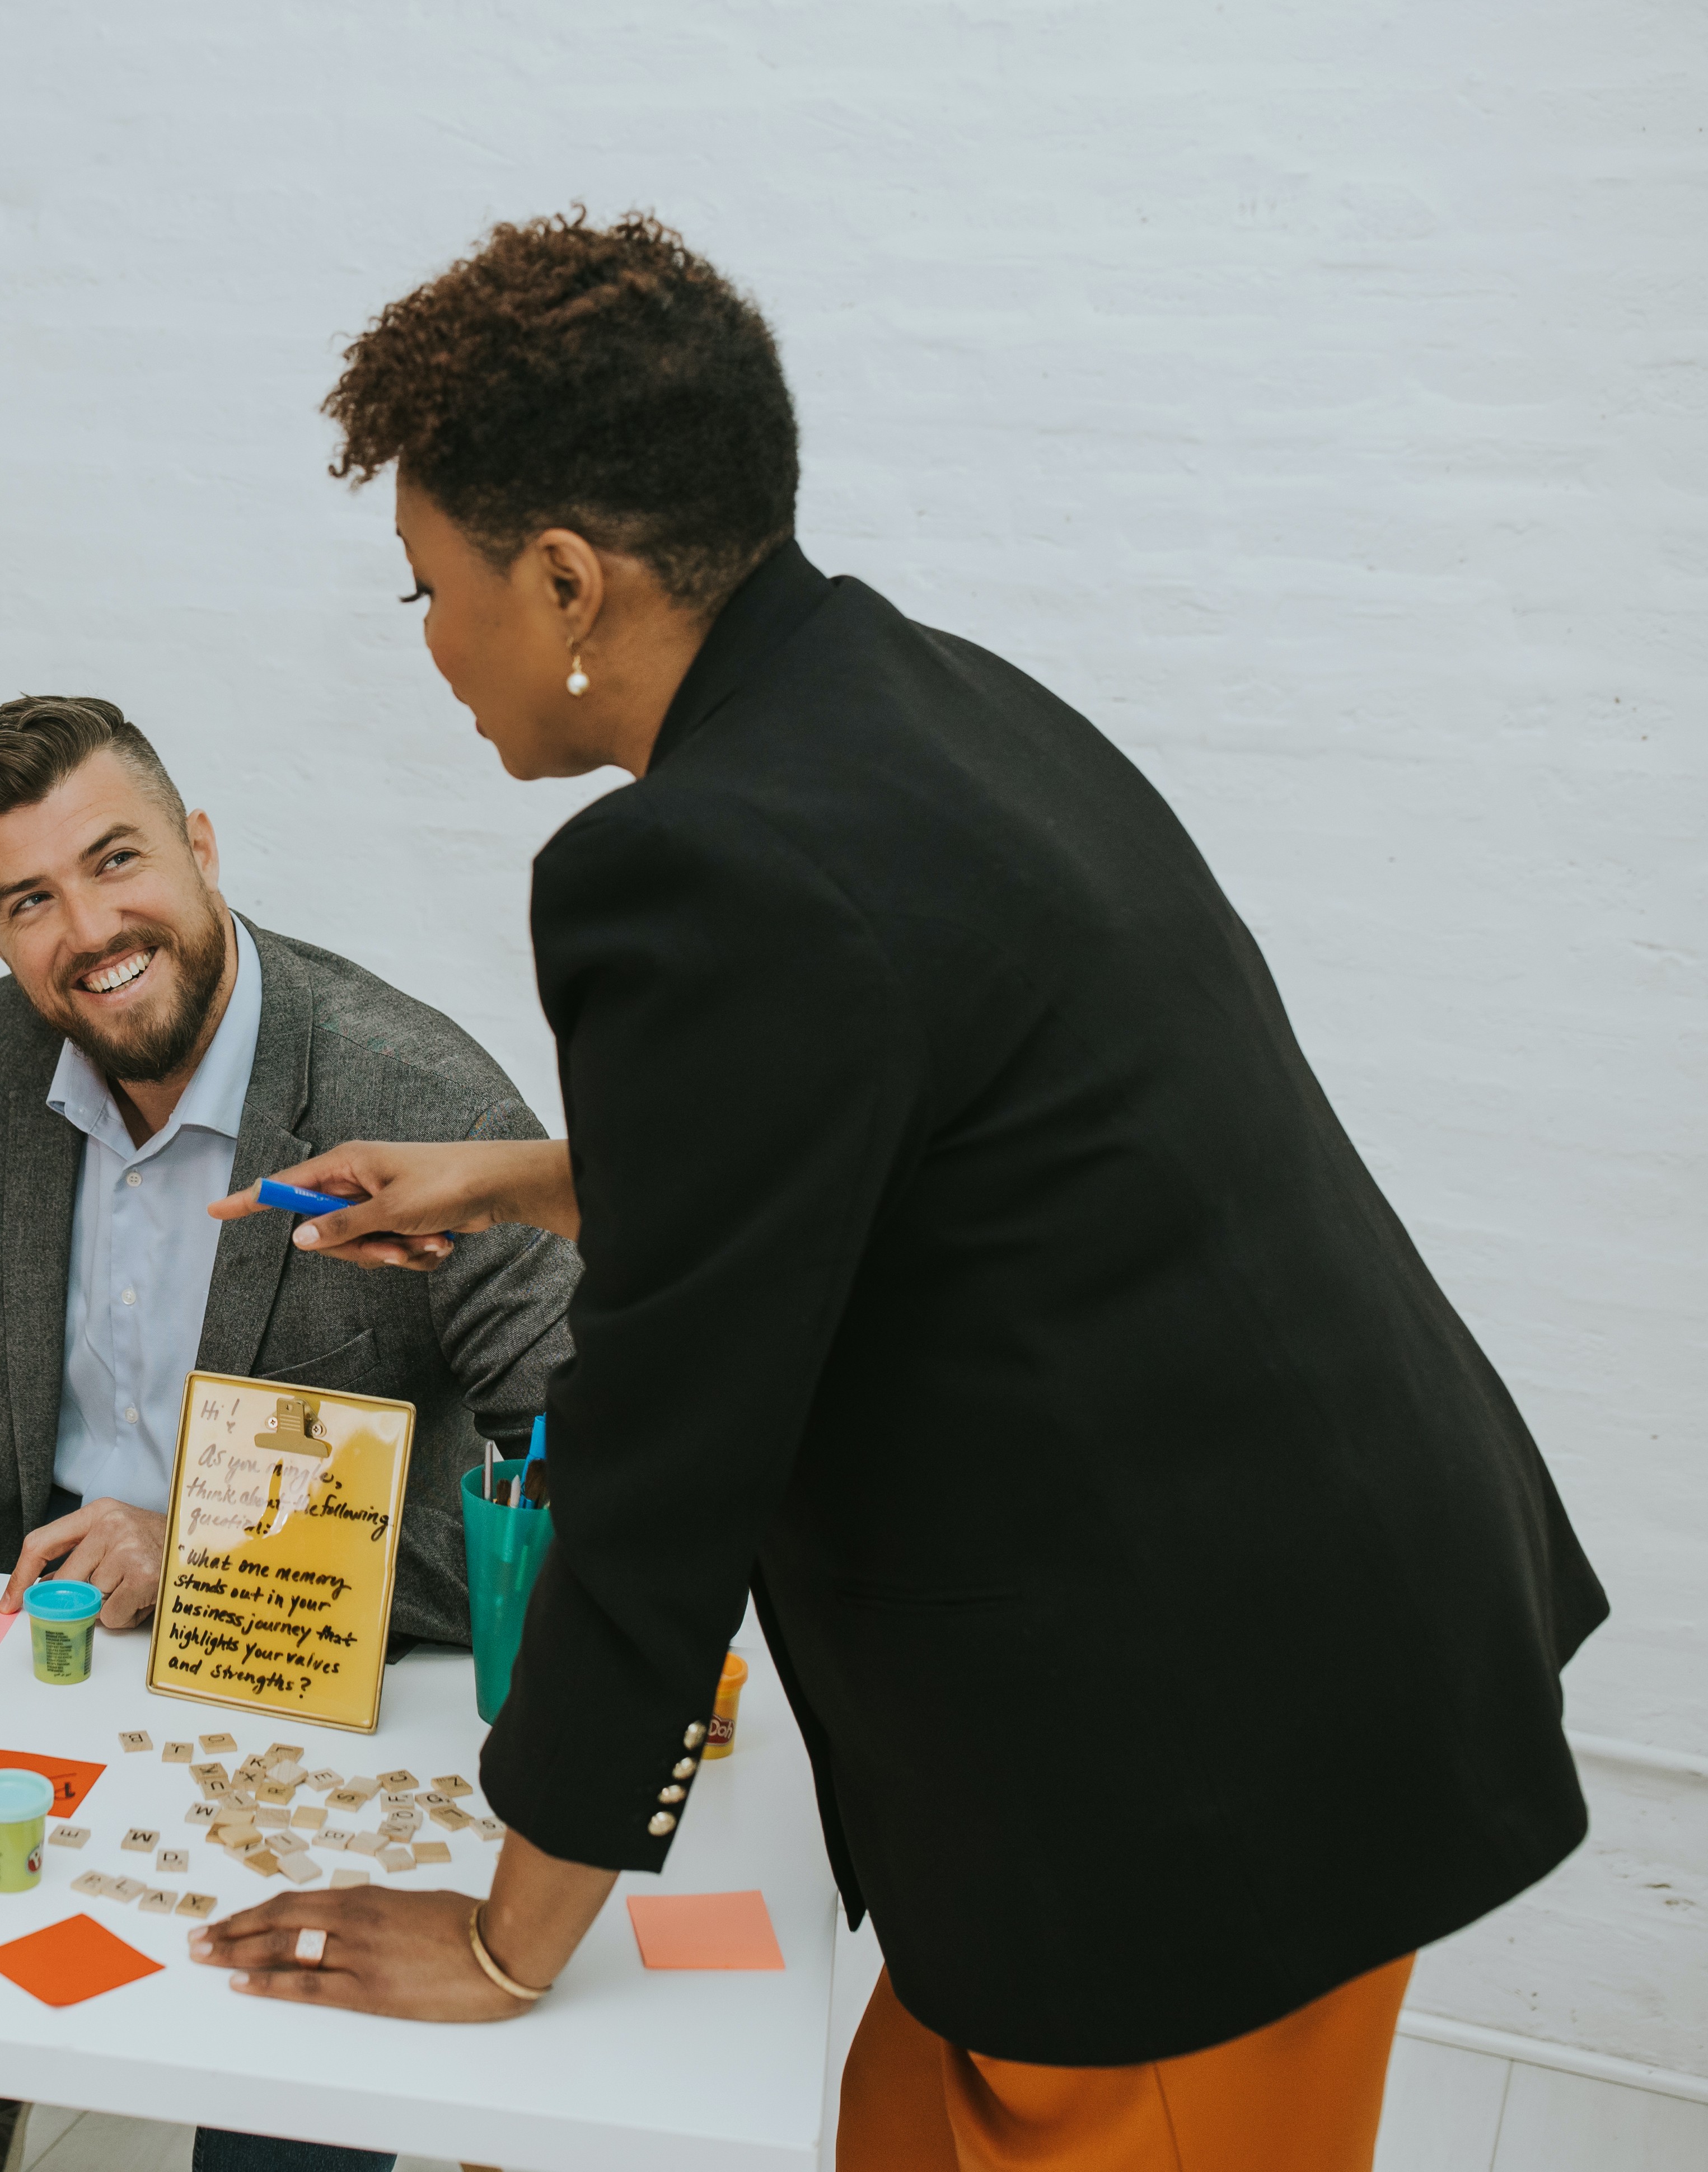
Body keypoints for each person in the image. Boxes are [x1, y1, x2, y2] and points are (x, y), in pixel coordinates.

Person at [184, 212, 1608, 2172]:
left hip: (1202, 1773)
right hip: (1248, 1647)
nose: (427, 641)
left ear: (570, 581)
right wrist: (528, 1180)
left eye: (428, 587)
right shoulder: (906, 698)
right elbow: (898, 1144)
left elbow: (662, 1462)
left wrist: (514, 1943)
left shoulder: (692, 869)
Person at [0, 695, 577, 2172]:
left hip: (324, 1681)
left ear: (202, 849)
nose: (87, 929)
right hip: (46, 1659)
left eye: (115, 862)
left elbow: (558, 1468)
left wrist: (204, 1553)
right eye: (27, 900)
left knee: (280, 2092)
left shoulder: (404, 1089)